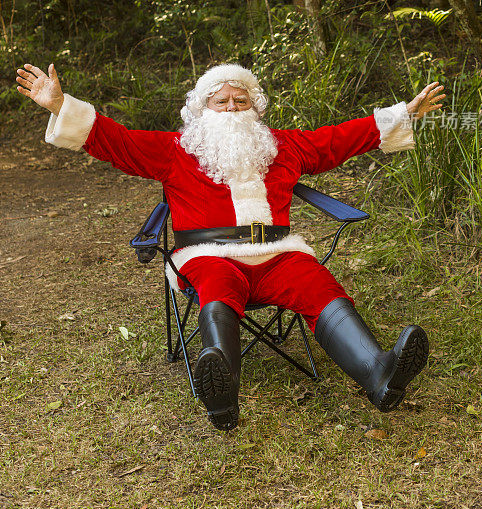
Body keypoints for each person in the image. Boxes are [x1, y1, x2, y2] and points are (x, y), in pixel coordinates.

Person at [16, 61, 445, 431]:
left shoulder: (283, 146)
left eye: (241, 101)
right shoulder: (175, 150)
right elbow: (116, 140)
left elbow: (340, 138)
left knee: (316, 282)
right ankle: (221, 391)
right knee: (217, 282)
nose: (232, 109)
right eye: (220, 102)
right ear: (201, 110)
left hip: (278, 254)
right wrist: (60, 105)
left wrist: (402, 113)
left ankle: (378, 374)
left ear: (255, 109)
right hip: (208, 256)